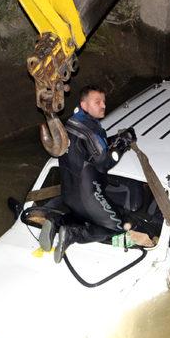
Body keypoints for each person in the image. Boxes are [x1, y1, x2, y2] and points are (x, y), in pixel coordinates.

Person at [38, 85, 136, 262]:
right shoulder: (90, 130)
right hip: (89, 196)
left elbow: (95, 149)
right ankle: (73, 234)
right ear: (84, 105)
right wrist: (123, 144)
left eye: (104, 102)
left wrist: (117, 139)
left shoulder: (70, 125)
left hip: (69, 195)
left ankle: (56, 222)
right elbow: (105, 162)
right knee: (117, 228)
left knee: (86, 216)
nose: (103, 105)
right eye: (97, 102)